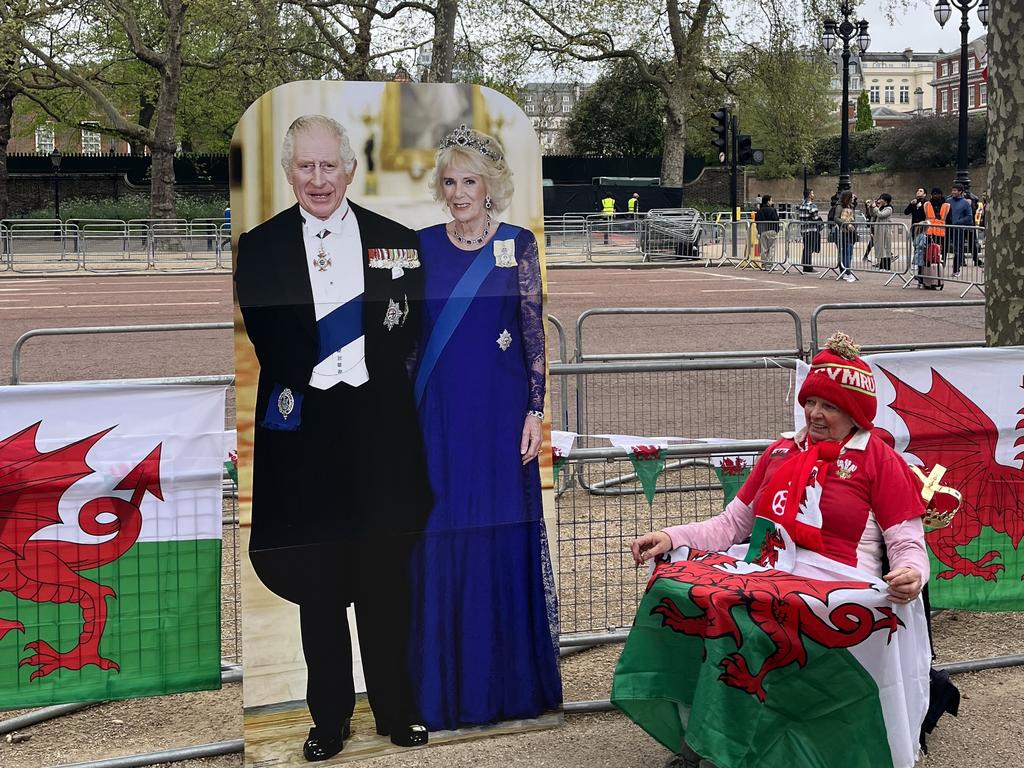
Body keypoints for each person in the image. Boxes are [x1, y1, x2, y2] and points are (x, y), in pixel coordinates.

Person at [628, 331, 929, 768]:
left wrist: (911, 573)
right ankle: (707, 741)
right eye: (812, 402)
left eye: (829, 406)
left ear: (855, 413)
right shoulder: (779, 452)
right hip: (768, 573)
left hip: (838, 586)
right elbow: (732, 525)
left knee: (749, 623)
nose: (815, 413)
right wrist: (673, 537)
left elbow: (906, 540)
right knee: (699, 602)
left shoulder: (880, 460)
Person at [234, 114, 430, 761]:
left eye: (329, 166)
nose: (318, 179)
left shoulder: (396, 241)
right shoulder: (259, 248)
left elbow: (409, 330)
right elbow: (273, 343)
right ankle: (329, 719)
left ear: (350, 169)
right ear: (291, 172)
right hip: (307, 442)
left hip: (379, 439)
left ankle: (397, 712)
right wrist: (331, 368)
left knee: (383, 584)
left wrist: (368, 373)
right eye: (305, 167)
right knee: (319, 591)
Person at [409, 125, 562, 731]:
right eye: (449, 181)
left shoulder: (518, 244)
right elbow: (406, 340)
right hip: (438, 419)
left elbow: (532, 335)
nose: (458, 192)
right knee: (440, 537)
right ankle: (443, 689)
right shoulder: (419, 245)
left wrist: (534, 410)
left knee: (498, 534)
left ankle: (506, 685)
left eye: (469, 180)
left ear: (490, 184)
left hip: (500, 420)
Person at [946, 183, 973, 278]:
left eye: (955, 190)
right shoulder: (948, 201)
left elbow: (969, 217)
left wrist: (958, 222)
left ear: (960, 192)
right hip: (947, 228)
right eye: (952, 190)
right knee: (943, 249)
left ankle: (956, 269)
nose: (953, 192)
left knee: (957, 250)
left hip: (958, 229)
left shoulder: (965, 203)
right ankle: (941, 268)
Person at [866, 193, 894, 271]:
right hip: (879, 230)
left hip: (885, 230)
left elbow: (881, 215)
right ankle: (881, 266)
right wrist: (871, 207)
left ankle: (887, 267)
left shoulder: (889, 208)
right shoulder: (880, 207)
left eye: (881, 199)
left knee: (886, 248)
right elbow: (873, 214)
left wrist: (875, 207)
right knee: (881, 248)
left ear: (885, 200)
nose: (879, 200)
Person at [797, 190, 821, 273]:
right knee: (809, 249)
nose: (813, 195)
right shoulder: (812, 206)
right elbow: (816, 218)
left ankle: (805, 265)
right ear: (809, 195)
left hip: (804, 230)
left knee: (806, 248)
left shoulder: (802, 205)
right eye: (812, 193)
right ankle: (808, 267)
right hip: (811, 229)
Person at [836, 190, 857, 281]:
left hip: (850, 232)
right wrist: (846, 224)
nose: (853, 199)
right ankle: (846, 272)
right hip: (843, 232)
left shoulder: (850, 206)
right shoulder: (839, 206)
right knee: (846, 252)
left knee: (849, 252)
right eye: (851, 197)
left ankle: (846, 271)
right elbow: (836, 218)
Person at [755, 194, 780, 267]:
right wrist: (777, 230)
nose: (772, 202)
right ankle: (770, 264)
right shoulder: (772, 210)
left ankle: (764, 264)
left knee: (763, 248)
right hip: (771, 230)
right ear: (768, 201)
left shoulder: (759, 211)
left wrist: (759, 231)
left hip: (763, 231)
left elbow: (757, 221)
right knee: (771, 248)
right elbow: (776, 220)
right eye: (771, 200)